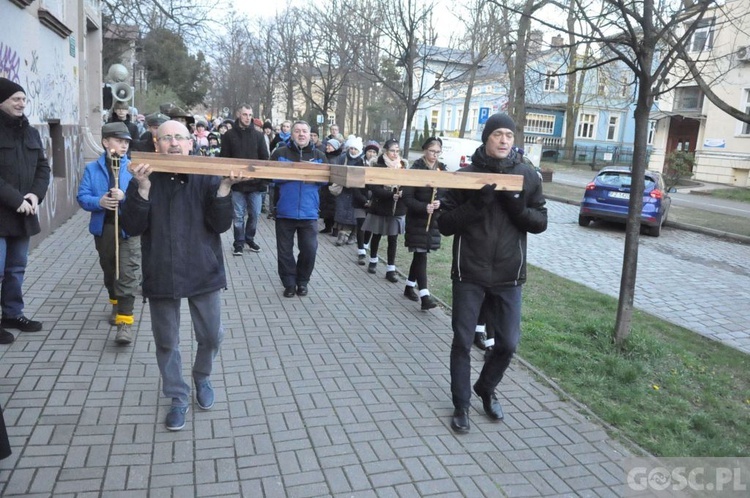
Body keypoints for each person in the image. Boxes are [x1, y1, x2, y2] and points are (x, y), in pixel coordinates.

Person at [121, 119, 242, 431]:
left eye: (180, 137)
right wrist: (143, 191)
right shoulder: (143, 177)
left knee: (212, 335)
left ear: (191, 143)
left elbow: (220, 226)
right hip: (161, 269)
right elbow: (131, 227)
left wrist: (225, 189)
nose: (174, 143)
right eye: (167, 138)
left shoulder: (206, 176)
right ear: (156, 144)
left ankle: (202, 377)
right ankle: (177, 396)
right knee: (166, 341)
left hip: (203, 268)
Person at [437, 113, 547, 433]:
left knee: (508, 343)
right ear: (486, 138)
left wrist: (516, 207)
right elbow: (444, 225)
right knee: (462, 340)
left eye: (508, 136)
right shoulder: (465, 176)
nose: (503, 140)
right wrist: (476, 205)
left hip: (508, 274)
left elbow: (540, 222)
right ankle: (461, 405)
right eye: (497, 134)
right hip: (469, 271)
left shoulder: (527, 175)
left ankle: (485, 387)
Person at [77, 122, 141, 345]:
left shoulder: (133, 168)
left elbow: (142, 199)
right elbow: (82, 197)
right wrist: (100, 201)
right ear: (105, 142)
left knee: (128, 273)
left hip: (128, 229)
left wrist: (125, 196)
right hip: (104, 228)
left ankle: (125, 323)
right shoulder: (92, 169)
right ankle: (115, 301)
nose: (124, 146)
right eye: (119, 141)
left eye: (126, 142)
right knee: (110, 269)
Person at [0, 78, 50, 344]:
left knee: (16, 268)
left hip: (24, 212)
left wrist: (34, 194)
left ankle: (12, 314)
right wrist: (14, 198)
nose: (21, 104)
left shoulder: (30, 132)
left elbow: (43, 167)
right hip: (3, 212)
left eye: (23, 99)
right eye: (15, 99)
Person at [270, 121, 327, 298]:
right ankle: (289, 283)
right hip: (285, 210)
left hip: (309, 212)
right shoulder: (280, 153)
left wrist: (311, 175)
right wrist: (292, 173)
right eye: (297, 131)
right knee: (284, 251)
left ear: (310, 134)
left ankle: (302, 281)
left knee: (309, 249)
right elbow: (270, 178)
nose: (301, 134)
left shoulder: (319, 155)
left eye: (304, 131)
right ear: (291, 134)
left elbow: (325, 180)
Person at [220, 104, 270, 256]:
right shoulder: (229, 136)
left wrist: (263, 182)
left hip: (255, 185)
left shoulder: (258, 136)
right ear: (238, 115)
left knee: (254, 214)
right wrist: (228, 180)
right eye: (245, 114)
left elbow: (264, 159)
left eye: (250, 115)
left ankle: (250, 238)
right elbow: (224, 158)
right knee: (238, 215)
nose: (248, 118)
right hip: (237, 184)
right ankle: (238, 243)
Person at [401, 137, 445, 311]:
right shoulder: (416, 170)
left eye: (437, 152)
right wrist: (423, 206)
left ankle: (409, 286)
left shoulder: (442, 170)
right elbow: (407, 197)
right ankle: (425, 295)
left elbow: (447, 194)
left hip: (432, 220)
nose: (434, 155)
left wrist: (439, 203)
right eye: (431, 151)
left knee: (421, 253)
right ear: (424, 150)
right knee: (421, 254)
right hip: (417, 219)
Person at [361, 138, 407, 283]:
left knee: (393, 238)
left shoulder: (403, 165)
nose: (395, 154)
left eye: (397, 151)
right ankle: (373, 260)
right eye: (392, 151)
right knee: (377, 234)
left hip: (396, 207)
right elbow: (373, 187)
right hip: (381, 205)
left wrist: (402, 192)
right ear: (386, 151)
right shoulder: (377, 164)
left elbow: (408, 183)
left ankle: (391, 269)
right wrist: (389, 194)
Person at [332, 136, 364, 246]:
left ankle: (353, 235)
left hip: (356, 192)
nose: (353, 151)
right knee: (342, 212)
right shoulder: (343, 158)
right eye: (351, 148)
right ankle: (342, 234)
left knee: (354, 215)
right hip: (343, 190)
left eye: (355, 149)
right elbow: (336, 170)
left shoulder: (362, 160)